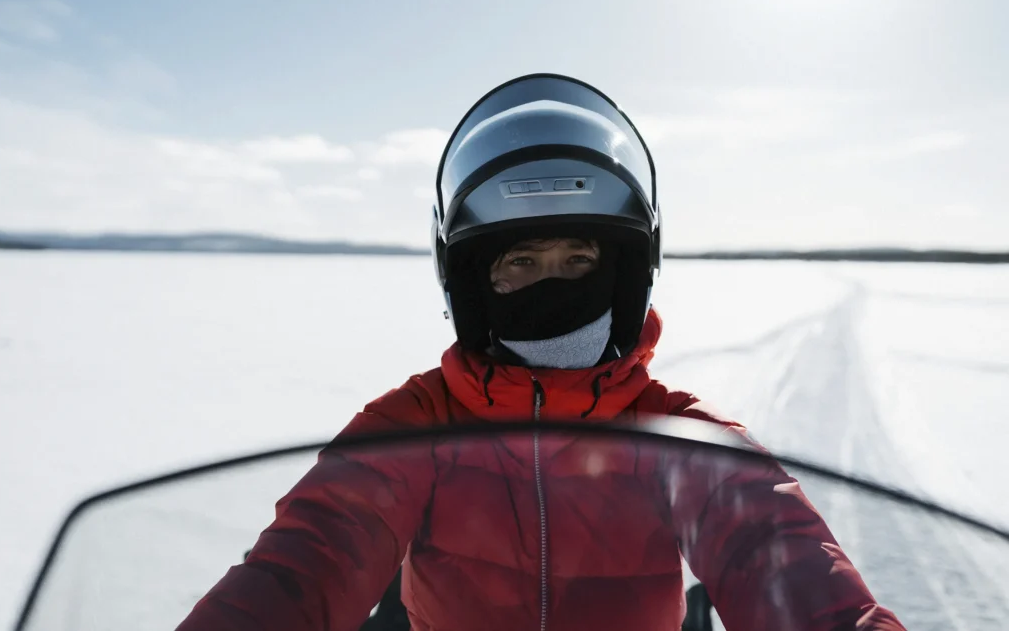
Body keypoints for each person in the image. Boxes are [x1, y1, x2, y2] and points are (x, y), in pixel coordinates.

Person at [176, 74, 904, 631]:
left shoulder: (681, 435)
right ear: (471, 280)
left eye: (578, 259)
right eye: (518, 261)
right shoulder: (414, 425)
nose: (548, 283)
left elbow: (786, 562)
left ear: (623, 273)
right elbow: (302, 564)